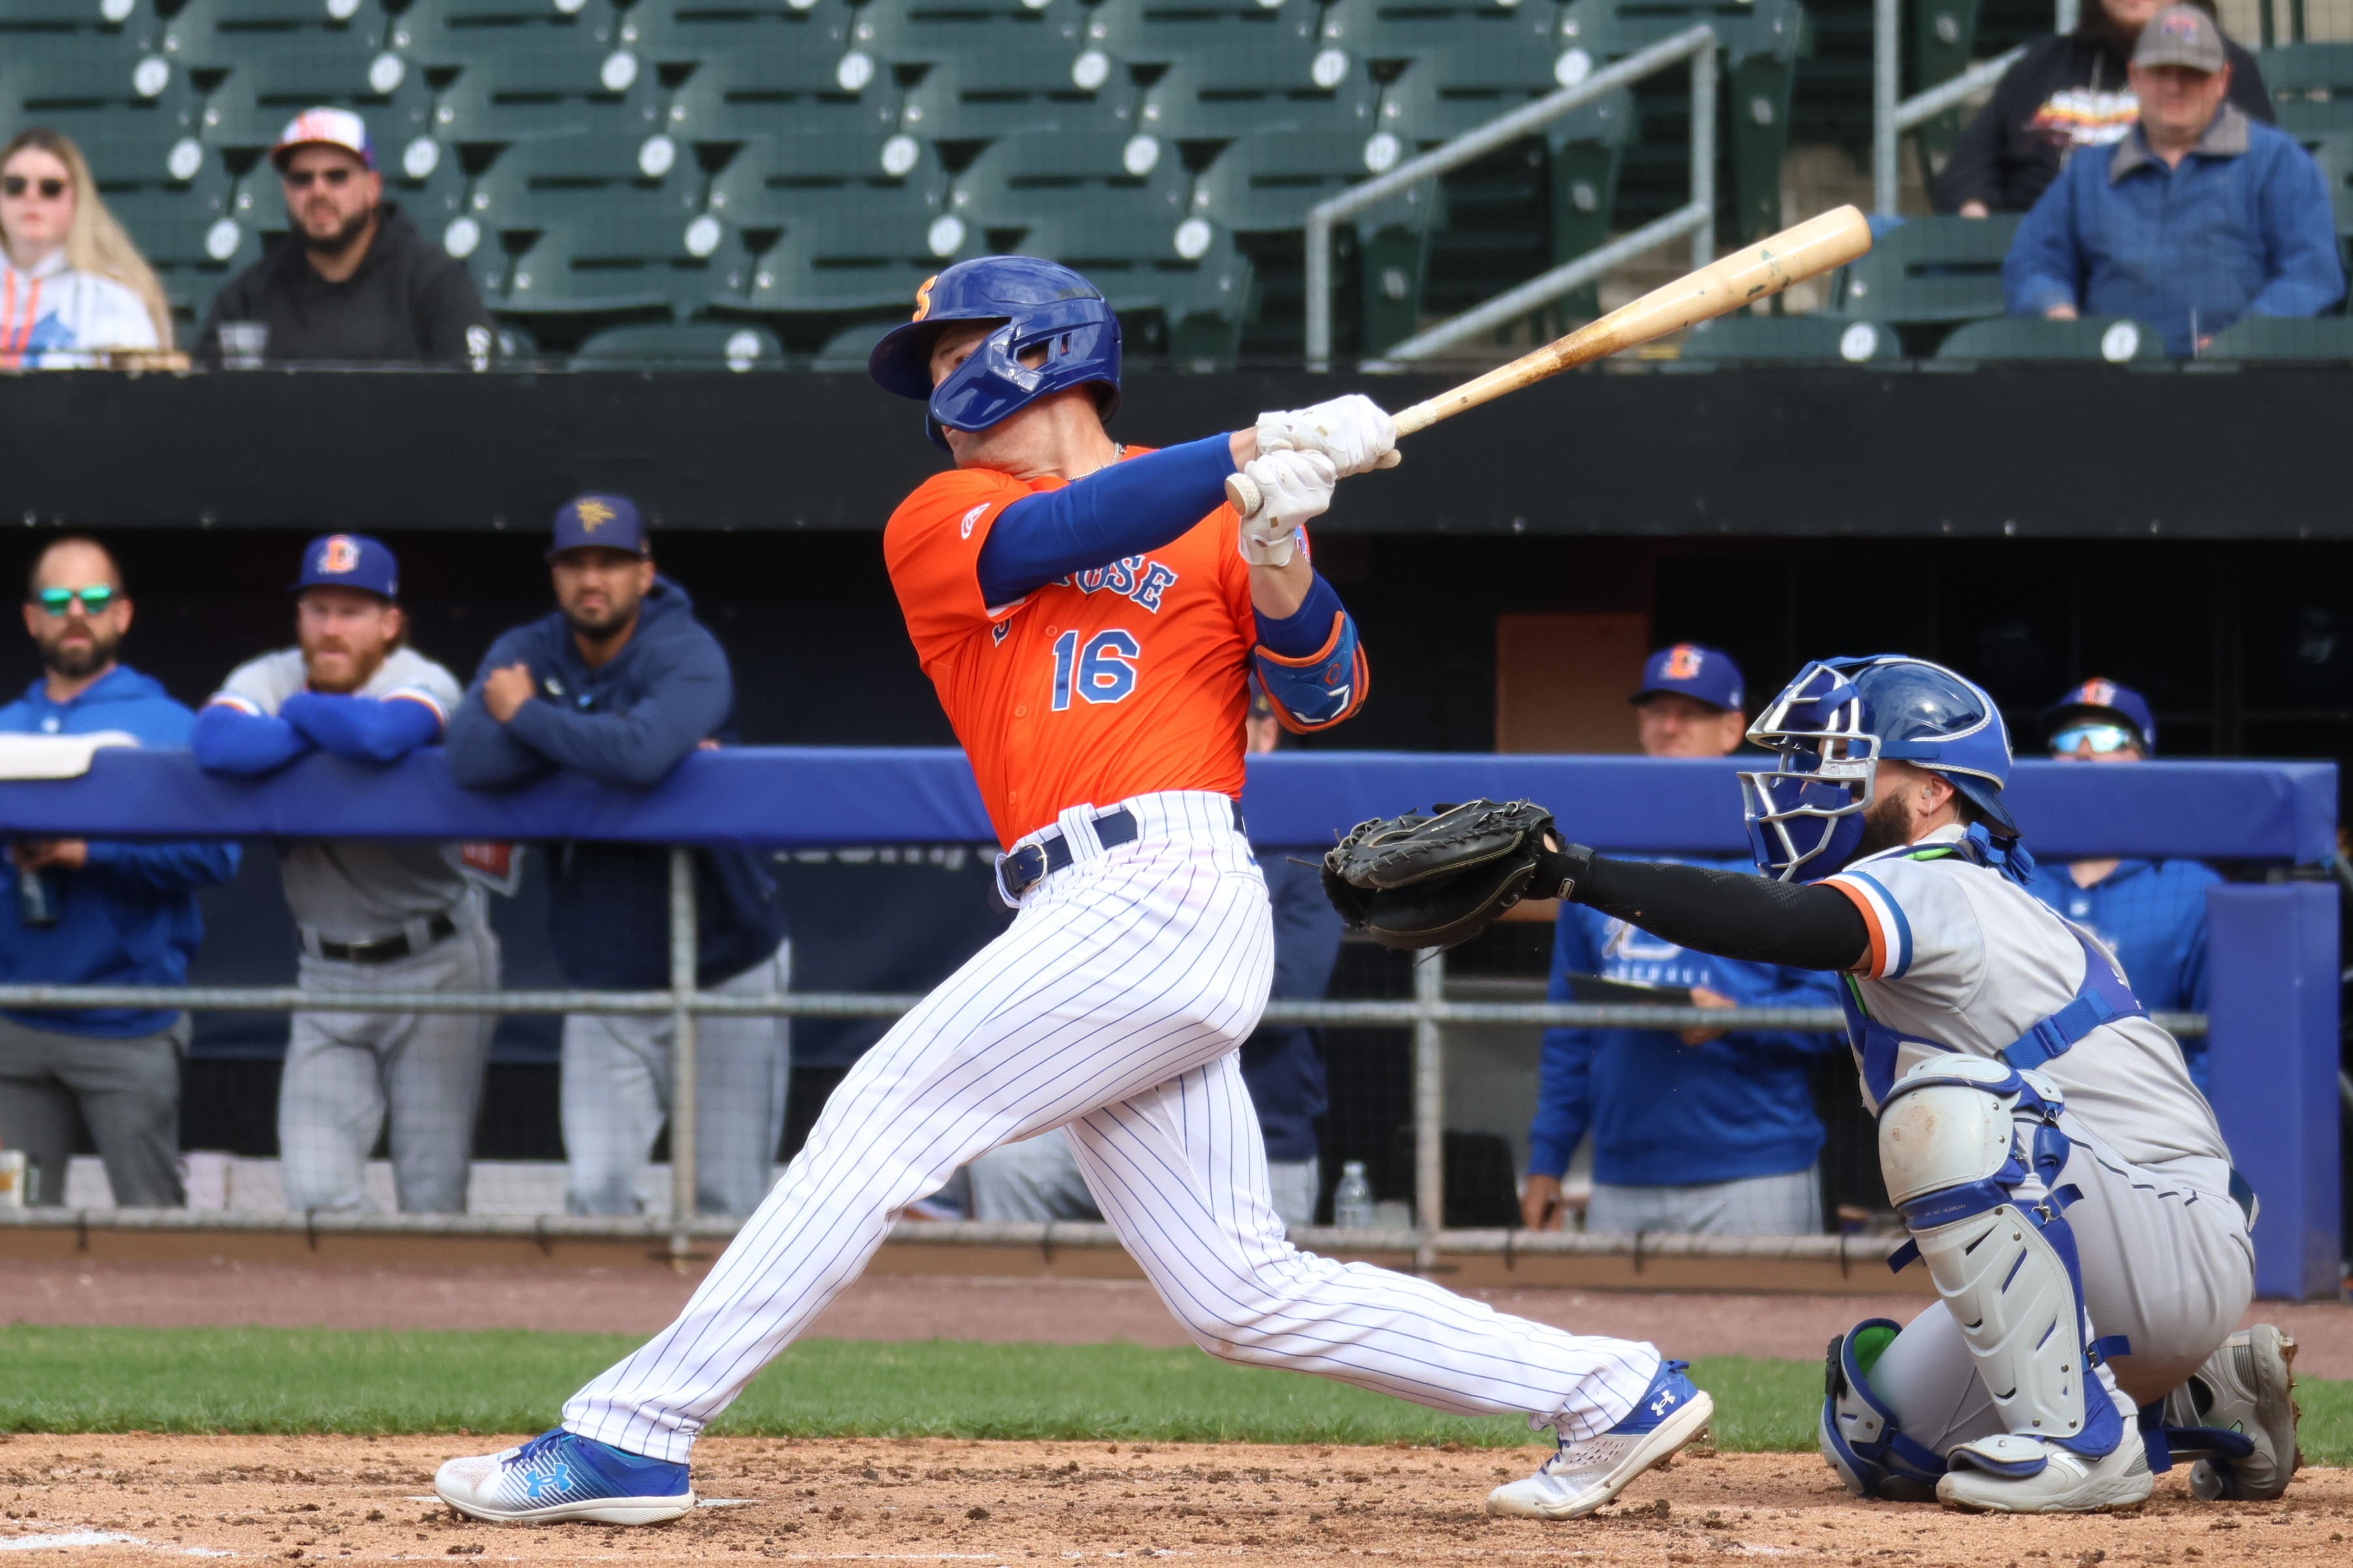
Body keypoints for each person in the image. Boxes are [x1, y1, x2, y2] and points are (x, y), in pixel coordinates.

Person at [434, 256, 1712, 1528]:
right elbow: (1066, 529)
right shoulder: (937, 517)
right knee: (1236, 1289)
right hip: (1076, 906)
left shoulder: (1219, 503)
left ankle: (634, 1428)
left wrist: (1274, 546)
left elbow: (1328, 694)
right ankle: (1613, 1387)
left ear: (1043, 346)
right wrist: (1250, 445)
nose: (935, 382)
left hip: (1161, 883)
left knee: (876, 1117)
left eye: (950, 351)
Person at [1413, 654, 2292, 1511]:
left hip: (2166, 1232)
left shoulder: (1941, 877)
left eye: (1846, 766)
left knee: (1943, 1113)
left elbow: (1785, 923)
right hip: (2135, 1244)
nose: (1809, 787)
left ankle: (2084, 1444)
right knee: (1875, 1435)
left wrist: (1574, 872)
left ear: (1934, 790)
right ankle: (2206, 1393)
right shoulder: (1961, 888)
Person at [444, 494, 789, 1221]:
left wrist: (531, 719)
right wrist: (603, 738)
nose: (591, 579)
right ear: (556, 575)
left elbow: (639, 756)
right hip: (604, 972)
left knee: (727, 1202)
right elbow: (472, 758)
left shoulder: (685, 648)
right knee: (593, 1197)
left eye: (611, 562)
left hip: (727, 962)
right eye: (575, 564)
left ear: (645, 572)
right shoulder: (526, 648)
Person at [962, 684, 1345, 1231]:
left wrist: (1131, 987)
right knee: (1010, 1164)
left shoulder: (1304, 847)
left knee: (1252, 1295)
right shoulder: (1121, 831)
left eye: (1233, 724)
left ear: (1267, 732)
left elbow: (1284, 995)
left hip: (1258, 1129)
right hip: (1101, 1111)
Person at [191, 534, 497, 1213]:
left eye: (352, 611)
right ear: (299, 618)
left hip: (439, 958)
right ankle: (373, 1307)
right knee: (315, 1190)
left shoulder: (420, 675)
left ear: (390, 624)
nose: (331, 628)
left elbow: (382, 737)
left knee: (433, 1194)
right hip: (327, 971)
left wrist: (299, 714)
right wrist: (324, 724)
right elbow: (215, 742)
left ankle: (430, 1316)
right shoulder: (268, 672)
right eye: (318, 609)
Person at [1523, 645, 1844, 1238]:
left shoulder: (1782, 854)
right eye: (1657, 710)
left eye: (1691, 713)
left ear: (1731, 730)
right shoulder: (1597, 859)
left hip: (1754, 1168)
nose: (1670, 727)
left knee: (1758, 1334)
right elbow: (1569, 1029)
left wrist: (1739, 1018)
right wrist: (1548, 1159)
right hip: (1622, 1170)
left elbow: (1838, 1010)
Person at [0, 538, 239, 1207]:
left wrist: (88, 852)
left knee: (151, 1222)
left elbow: (217, 855)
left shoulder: (167, 724)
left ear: (123, 614)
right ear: (31, 619)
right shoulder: (6, 728)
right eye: (57, 600)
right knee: (13, 1225)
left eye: (95, 599)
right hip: (14, 1023)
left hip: (127, 1022)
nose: (77, 612)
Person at [2003, 5, 2343, 357]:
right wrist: (2056, 312)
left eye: (2192, 73)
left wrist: (2245, 339)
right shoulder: (2088, 171)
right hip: (2110, 381)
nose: (2174, 87)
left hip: (2244, 383)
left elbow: (2311, 274)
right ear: (2134, 77)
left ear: (2223, 81)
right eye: (2160, 72)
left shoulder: (2278, 162)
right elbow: (2033, 260)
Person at [2028, 679, 2220, 1093]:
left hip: (2149, 1125)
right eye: (2068, 737)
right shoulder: (2007, 873)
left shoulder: (2191, 886)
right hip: (2018, 1120)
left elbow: (2224, 1046)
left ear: (2142, 756)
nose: (2083, 750)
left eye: (2104, 737)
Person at [193, 108, 490, 366]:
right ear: (286, 191)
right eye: (302, 179)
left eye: (337, 177)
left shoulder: (435, 283)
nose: (319, 191)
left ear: (373, 188)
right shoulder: (249, 296)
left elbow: (483, 398)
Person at [1934, 0, 2272, 217]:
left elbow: (2253, 188)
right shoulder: (2042, 64)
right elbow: (1968, 166)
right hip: (2026, 253)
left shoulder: (2214, 69)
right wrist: (1975, 216)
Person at [1, 128, 172, 368]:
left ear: (78, 199)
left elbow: (132, 399)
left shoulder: (110, 300)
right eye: (15, 185)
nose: (31, 196)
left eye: (51, 188)